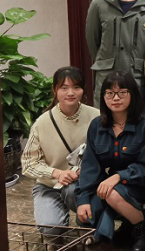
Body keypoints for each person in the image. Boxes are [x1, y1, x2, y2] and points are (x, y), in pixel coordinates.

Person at [76, 71, 145, 251]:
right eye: (109, 93)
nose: (115, 98)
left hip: (143, 181)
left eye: (122, 92)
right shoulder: (97, 125)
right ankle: (128, 222)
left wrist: (118, 176)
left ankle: (143, 232)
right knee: (86, 215)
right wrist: (83, 199)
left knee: (112, 194)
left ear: (132, 94)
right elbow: (90, 165)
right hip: (113, 182)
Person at [21, 67, 100, 234]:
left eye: (76, 87)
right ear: (54, 90)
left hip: (84, 184)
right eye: (64, 88)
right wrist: (56, 173)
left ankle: (86, 223)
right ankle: (60, 217)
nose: (70, 93)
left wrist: (86, 170)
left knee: (73, 190)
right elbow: (28, 164)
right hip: (49, 186)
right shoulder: (42, 123)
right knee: (50, 230)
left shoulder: (96, 117)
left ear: (83, 89)